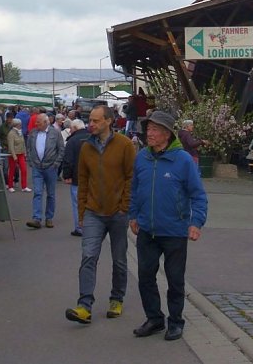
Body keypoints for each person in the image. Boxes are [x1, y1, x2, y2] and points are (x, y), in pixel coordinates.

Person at [130, 110, 207, 341]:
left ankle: (176, 321)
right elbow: (134, 189)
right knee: (145, 277)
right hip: (147, 230)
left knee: (175, 280)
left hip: (174, 230)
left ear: (166, 134)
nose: (149, 134)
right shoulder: (142, 157)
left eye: (154, 130)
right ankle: (154, 319)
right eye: (148, 129)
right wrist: (133, 214)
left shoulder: (182, 159)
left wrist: (196, 222)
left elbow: (198, 195)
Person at [65, 106, 136, 325]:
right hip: (94, 212)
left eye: (96, 121)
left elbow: (131, 177)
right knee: (88, 256)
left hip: (118, 213)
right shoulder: (86, 147)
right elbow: (82, 180)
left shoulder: (125, 145)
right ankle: (84, 305)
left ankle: (117, 299)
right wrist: (82, 212)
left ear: (109, 121)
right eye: (90, 121)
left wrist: (124, 207)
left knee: (119, 259)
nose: (91, 124)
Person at [25, 113, 65, 229]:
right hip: (37, 167)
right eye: (36, 121)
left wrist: (56, 164)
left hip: (50, 167)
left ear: (46, 122)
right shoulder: (33, 133)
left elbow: (61, 149)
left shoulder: (55, 133)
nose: (36, 123)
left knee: (50, 194)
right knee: (37, 192)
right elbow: (29, 148)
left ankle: (49, 218)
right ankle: (36, 218)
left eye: (38, 122)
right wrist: (31, 162)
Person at [61, 118, 90, 236]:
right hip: (93, 178)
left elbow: (68, 160)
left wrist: (67, 175)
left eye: (71, 128)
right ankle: (92, 226)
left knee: (77, 203)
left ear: (75, 128)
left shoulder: (72, 141)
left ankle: (80, 227)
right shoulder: (93, 138)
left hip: (77, 178)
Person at [6, 118, 30, 193]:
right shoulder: (11, 133)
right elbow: (11, 146)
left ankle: (24, 186)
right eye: (20, 124)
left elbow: (23, 143)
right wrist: (14, 156)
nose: (21, 125)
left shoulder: (20, 132)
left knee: (24, 170)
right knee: (12, 170)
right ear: (16, 125)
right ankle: (10, 186)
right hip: (14, 154)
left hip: (21, 153)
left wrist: (25, 152)